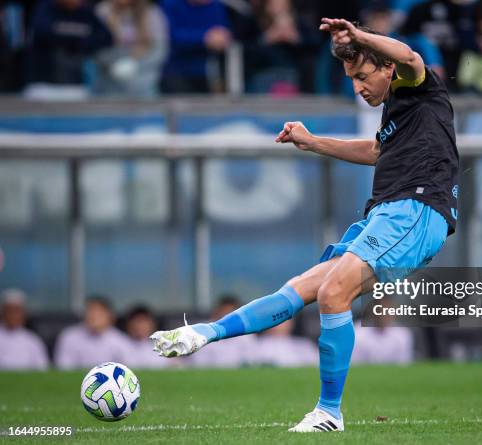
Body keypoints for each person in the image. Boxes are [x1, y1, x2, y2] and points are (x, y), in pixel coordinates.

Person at [151, 18, 458, 433]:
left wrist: (360, 36)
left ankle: (329, 413)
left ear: (387, 69)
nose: (357, 87)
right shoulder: (397, 113)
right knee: (300, 289)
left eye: (363, 76)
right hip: (386, 213)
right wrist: (312, 142)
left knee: (335, 293)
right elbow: (376, 151)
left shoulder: (419, 88)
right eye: (351, 78)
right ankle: (205, 333)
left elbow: (409, 55)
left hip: (416, 210)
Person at [27, 0, 113, 86]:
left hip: (81, 74)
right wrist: (75, 39)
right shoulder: (46, 8)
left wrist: (83, 42)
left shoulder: (86, 11)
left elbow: (106, 37)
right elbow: (42, 33)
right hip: (47, 76)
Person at [94, 0, 168, 97]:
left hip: (143, 84)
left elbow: (160, 50)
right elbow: (94, 46)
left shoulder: (151, 12)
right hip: (107, 83)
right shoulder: (103, 10)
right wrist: (113, 63)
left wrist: (135, 65)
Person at [160, 0, 231, 93]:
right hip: (175, 71)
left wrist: (221, 39)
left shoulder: (216, 6)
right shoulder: (171, 4)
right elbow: (169, 36)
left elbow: (223, 32)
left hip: (207, 71)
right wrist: (204, 38)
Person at [54, 296, 131, 370]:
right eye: (90, 310)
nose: (93, 315)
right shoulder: (69, 336)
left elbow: (126, 370)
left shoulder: (121, 340)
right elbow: (63, 369)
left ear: (110, 316)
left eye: (99, 312)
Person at [187, 295, 257, 368]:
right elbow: (198, 364)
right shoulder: (202, 330)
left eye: (230, 312)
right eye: (224, 311)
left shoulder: (247, 335)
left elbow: (251, 362)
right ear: (216, 311)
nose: (226, 315)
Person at [0, 289, 49, 370]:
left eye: (17, 311)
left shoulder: (33, 340)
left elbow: (43, 371)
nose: (13, 315)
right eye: (10, 311)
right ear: (2, 313)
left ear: (24, 314)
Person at [250, 319, 318, 367]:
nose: (279, 323)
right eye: (273, 318)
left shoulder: (304, 345)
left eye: (284, 319)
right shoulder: (254, 345)